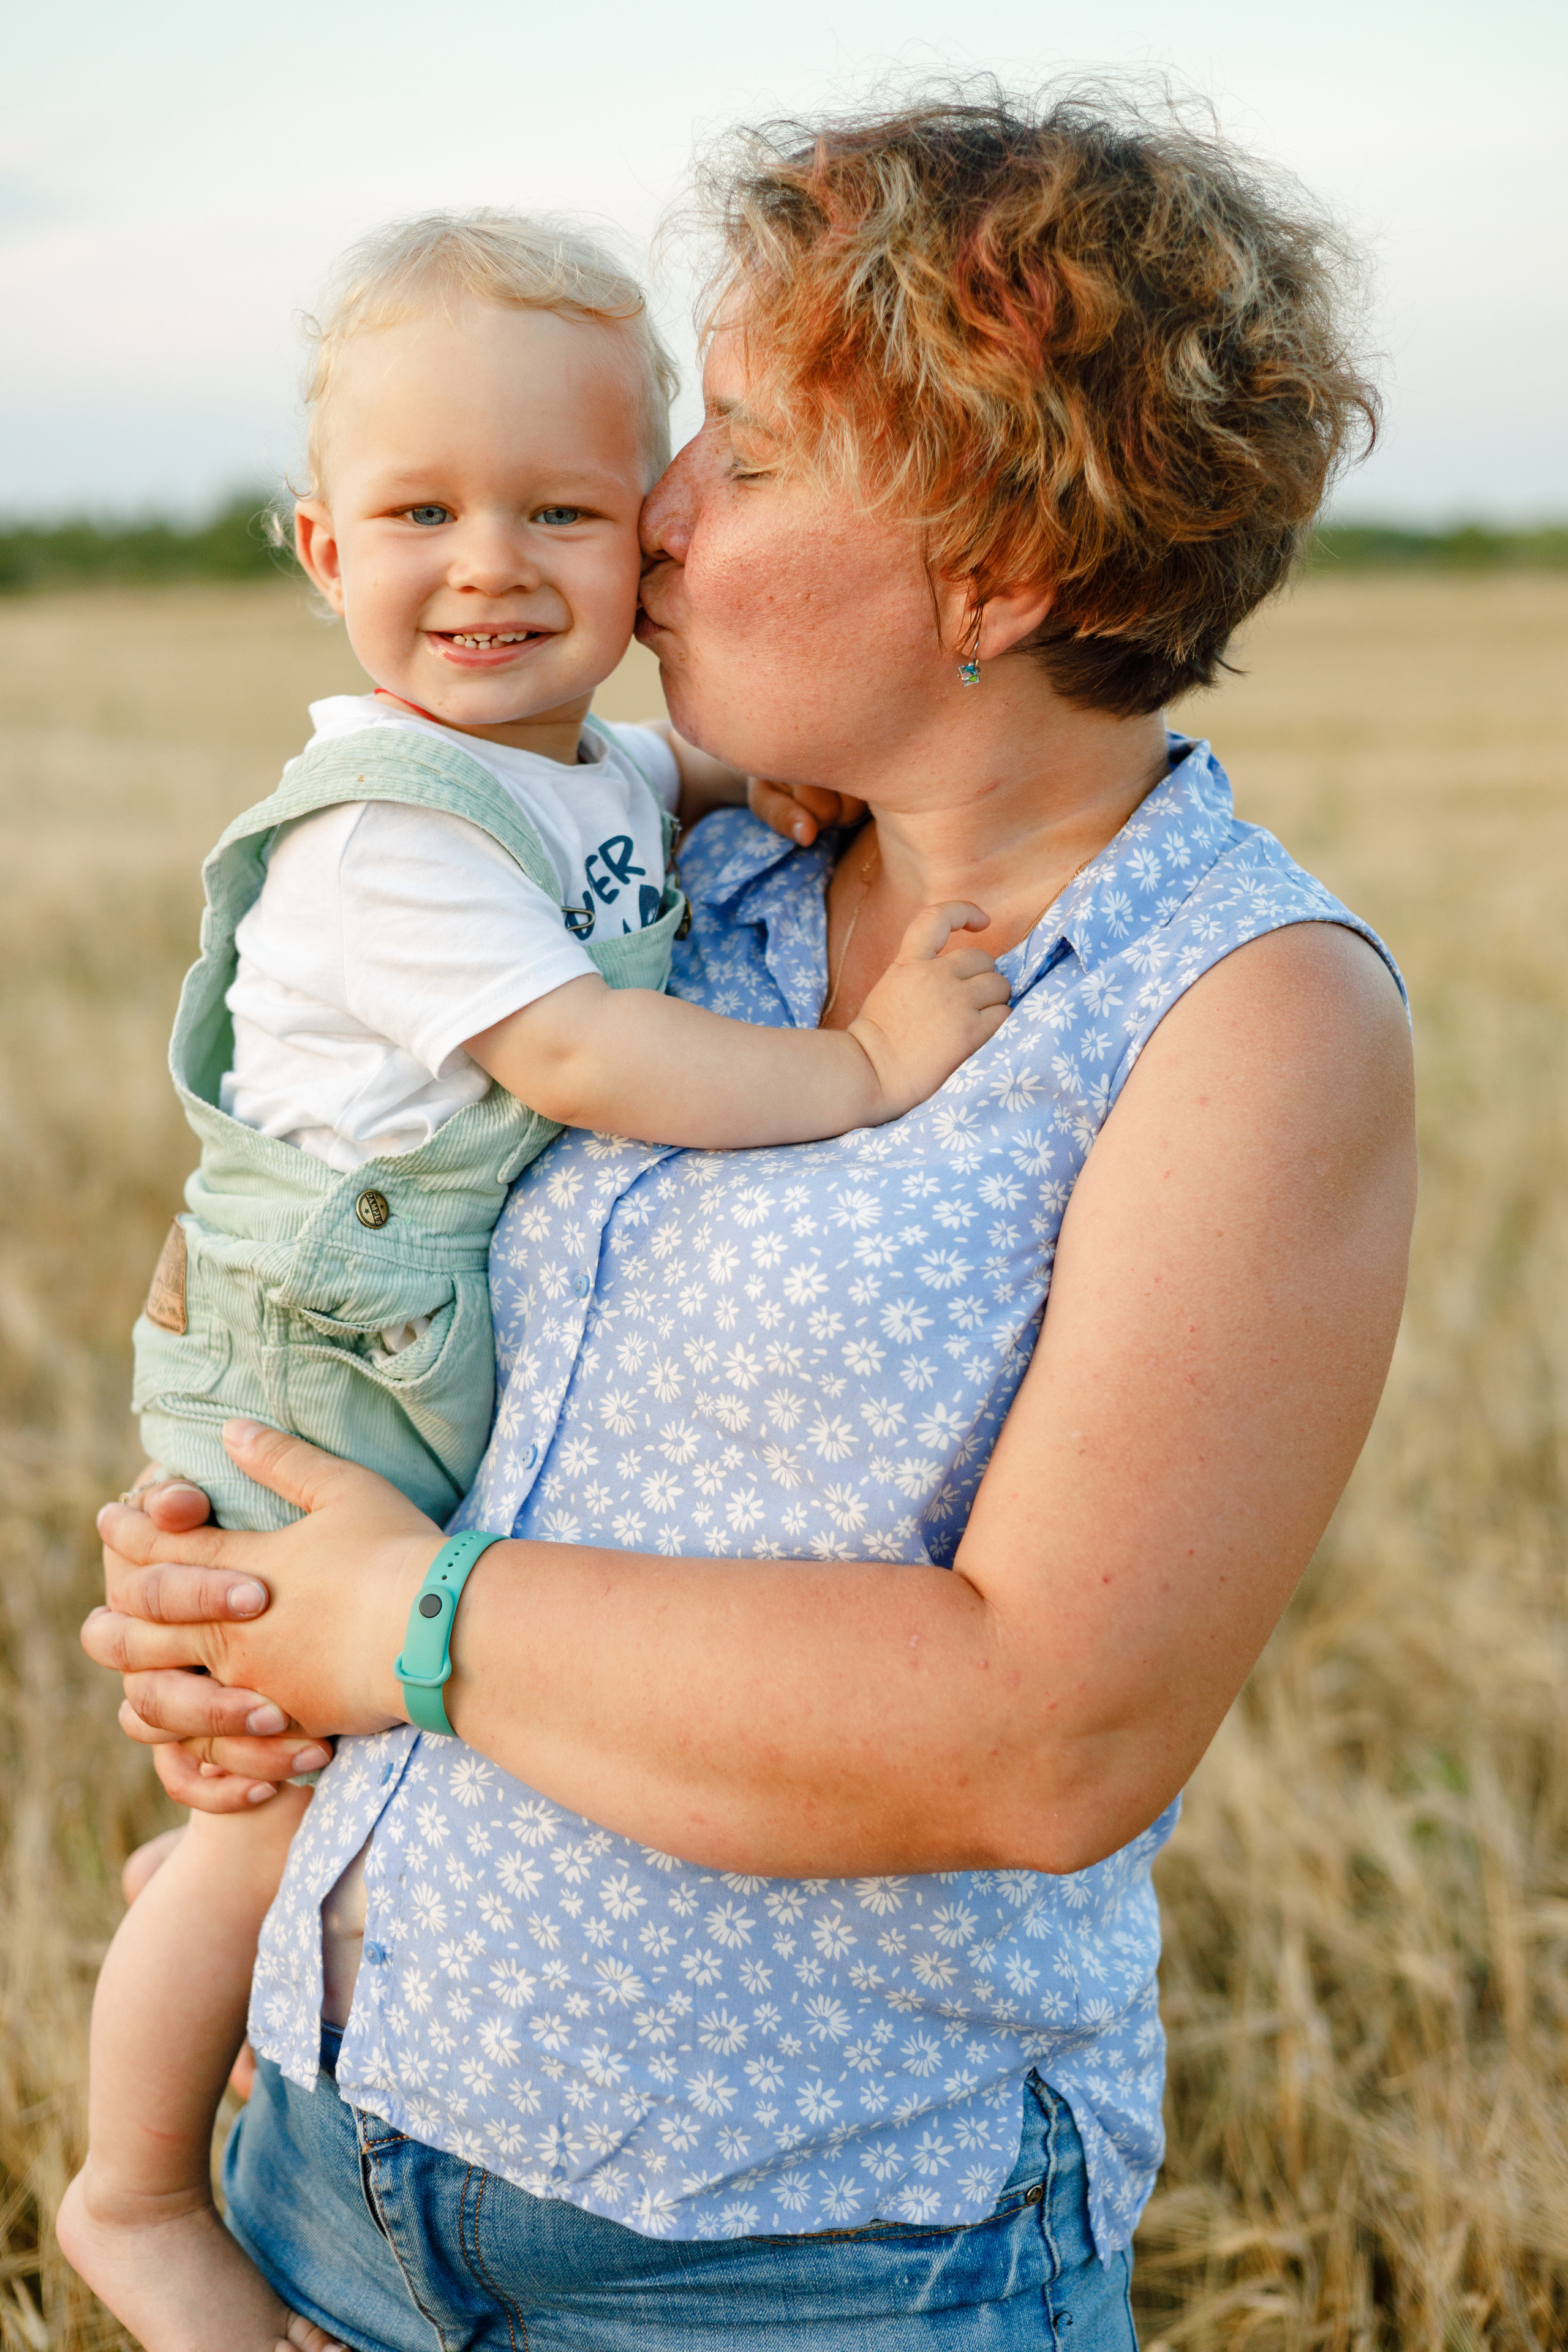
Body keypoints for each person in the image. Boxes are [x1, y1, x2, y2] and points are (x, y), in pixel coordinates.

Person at [79, 88, 1416, 2352]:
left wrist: (400, 1618)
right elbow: (322, 1228)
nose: (663, 512)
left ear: (1006, 569)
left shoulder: (1241, 1012)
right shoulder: (679, 868)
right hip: (330, 2149)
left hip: (798, 2249)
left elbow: (1050, 1736)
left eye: (755, 451)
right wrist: (211, 1578)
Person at [56, 207, 1006, 2352]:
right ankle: (136, 2193)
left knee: (308, 1767)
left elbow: (665, 789)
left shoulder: (583, 767)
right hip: (324, 1355)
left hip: (403, 1345)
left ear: (642, 537)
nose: (489, 566)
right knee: (257, 1799)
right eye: (422, 514)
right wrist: (863, 1070)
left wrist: (781, 767)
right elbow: (582, 1056)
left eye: (558, 511)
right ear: (322, 548)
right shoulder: (386, 835)